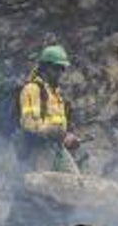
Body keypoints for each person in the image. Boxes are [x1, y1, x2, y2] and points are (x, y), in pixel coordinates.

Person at [19, 44, 82, 174]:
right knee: (42, 187)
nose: (60, 72)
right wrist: (54, 132)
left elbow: (60, 123)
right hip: (39, 148)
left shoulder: (55, 93)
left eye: (62, 68)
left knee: (75, 181)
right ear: (45, 67)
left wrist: (68, 136)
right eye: (56, 68)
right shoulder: (32, 89)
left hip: (57, 147)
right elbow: (28, 123)